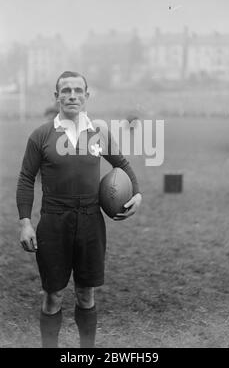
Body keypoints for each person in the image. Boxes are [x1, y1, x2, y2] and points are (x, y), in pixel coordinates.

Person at [16, 71, 142, 348]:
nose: (72, 95)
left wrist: (137, 192)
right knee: (53, 296)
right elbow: (26, 178)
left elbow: (122, 163)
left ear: (87, 95)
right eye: (66, 90)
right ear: (56, 96)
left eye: (77, 90)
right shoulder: (41, 135)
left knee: (86, 293)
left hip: (90, 221)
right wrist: (25, 221)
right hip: (53, 221)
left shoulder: (99, 132)